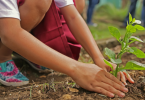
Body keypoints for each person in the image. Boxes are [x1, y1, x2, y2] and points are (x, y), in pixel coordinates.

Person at [0, 0, 134, 98]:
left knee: (78, 3)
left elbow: (73, 16)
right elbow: (10, 33)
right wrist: (76, 69)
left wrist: (98, 58)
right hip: (5, 29)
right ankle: (3, 57)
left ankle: (26, 49)